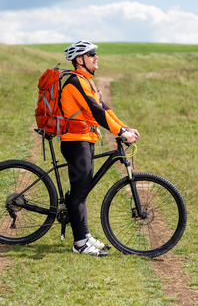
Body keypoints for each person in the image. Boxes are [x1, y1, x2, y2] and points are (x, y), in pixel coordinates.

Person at [60, 40, 139, 256]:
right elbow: (96, 111)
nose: (96, 57)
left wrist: (123, 127)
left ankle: (84, 235)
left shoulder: (88, 82)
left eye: (95, 53)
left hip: (86, 139)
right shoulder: (75, 81)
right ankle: (79, 244)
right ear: (79, 59)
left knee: (82, 191)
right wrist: (120, 133)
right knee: (78, 193)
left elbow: (106, 109)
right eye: (91, 53)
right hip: (75, 141)